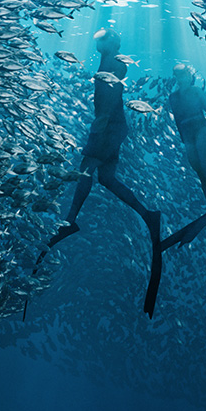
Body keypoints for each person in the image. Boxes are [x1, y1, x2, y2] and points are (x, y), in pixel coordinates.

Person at [41, 27, 161, 256]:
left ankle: (70, 221)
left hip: (109, 126)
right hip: (113, 125)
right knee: (106, 178)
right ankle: (148, 215)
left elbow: (112, 91)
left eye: (103, 38)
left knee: (85, 169)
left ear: (112, 42)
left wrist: (102, 122)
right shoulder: (108, 60)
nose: (98, 41)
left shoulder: (114, 62)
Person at [160, 64, 206, 250]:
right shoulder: (173, 97)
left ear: (190, 76)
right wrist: (184, 141)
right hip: (188, 135)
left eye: (184, 74)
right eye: (178, 75)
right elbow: (177, 121)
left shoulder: (197, 91)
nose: (182, 77)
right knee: (200, 173)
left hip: (202, 129)